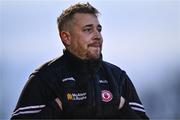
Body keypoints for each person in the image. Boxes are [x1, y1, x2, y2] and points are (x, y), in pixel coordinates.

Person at [11, 2, 149, 119]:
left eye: (99, 29)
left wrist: (123, 106)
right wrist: (57, 107)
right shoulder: (45, 78)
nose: (98, 36)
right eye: (88, 29)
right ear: (66, 37)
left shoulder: (118, 77)